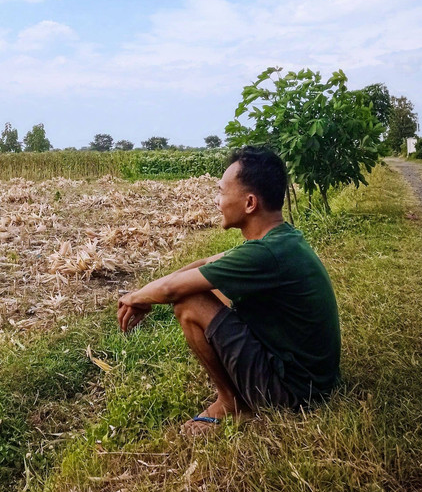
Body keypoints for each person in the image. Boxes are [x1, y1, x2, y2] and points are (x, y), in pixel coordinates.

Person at [117, 146, 341, 434]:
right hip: (312, 379)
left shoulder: (265, 254)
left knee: (190, 302)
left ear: (249, 203)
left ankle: (233, 402)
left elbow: (174, 290)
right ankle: (237, 395)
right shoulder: (281, 240)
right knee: (215, 288)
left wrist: (134, 298)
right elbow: (208, 263)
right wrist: (148, 290)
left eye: (222, 192)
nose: (217, 201)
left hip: (295, 394)